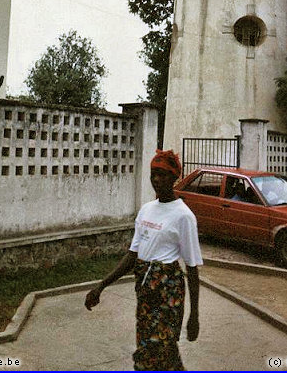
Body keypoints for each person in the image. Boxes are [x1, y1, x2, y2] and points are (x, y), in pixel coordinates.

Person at [85, 149, 203, 371]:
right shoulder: (146, 211)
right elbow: (132, 255)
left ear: (174, 177)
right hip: (145, 293)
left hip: (168, 295)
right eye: (153, 174)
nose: (157, 179)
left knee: (151, 354)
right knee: (160, 351)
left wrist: (194, 315)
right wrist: (101, 286)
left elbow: (192, 269)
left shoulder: (184, 216)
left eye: (163, 174)